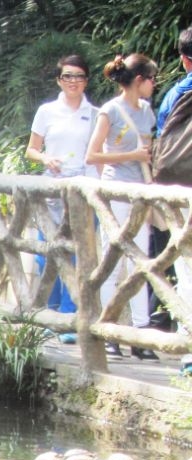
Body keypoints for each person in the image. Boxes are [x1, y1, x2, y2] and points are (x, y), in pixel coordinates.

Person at [86, 53, 159, 359]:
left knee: (141, 262)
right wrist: (132, 157)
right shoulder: (110, 111)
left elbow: (147, 151)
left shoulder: (147, 112)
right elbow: (93, 156)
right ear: (139, 80)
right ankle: (109, 328)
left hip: (140, 194)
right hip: (116, 193)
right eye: (152, 79)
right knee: (112, 261)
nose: (155, 85)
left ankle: (140, 334)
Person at [26, 54, 99, 328]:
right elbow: (31, 150)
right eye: (68, 76)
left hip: (81, 189)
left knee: (79, 252)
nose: (73, 81)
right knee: (49, 249)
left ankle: (70, 316)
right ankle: (49, 313)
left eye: (79, 76)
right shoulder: (46, 111)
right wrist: (46, 159)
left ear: (86, 81)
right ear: (59, 80)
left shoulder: (94, 114)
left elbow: (97, 154)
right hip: (52, 188)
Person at [154, 27, 192, 368]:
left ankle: (188, 351)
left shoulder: (176, 94)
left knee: (186, 266)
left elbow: (161, 138)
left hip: (181, 192)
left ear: (183, 60)